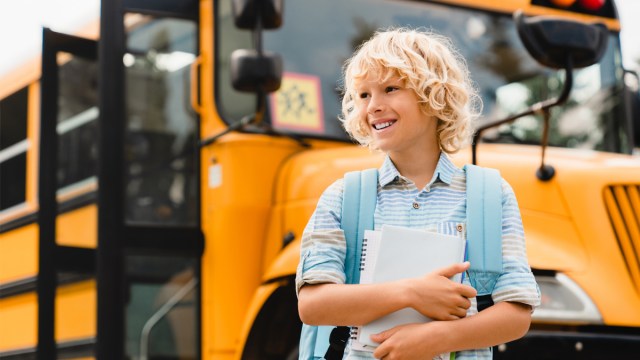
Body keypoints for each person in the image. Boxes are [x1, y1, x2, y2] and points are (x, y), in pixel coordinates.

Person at [296, 27, 540, 359]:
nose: (374, 106)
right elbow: (312, 305)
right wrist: (411, 293)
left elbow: (516, 313)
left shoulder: (489, 195)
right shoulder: (342, 197)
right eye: (364, 95)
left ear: (435, 95)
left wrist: (437, 338)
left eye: (390, 89)